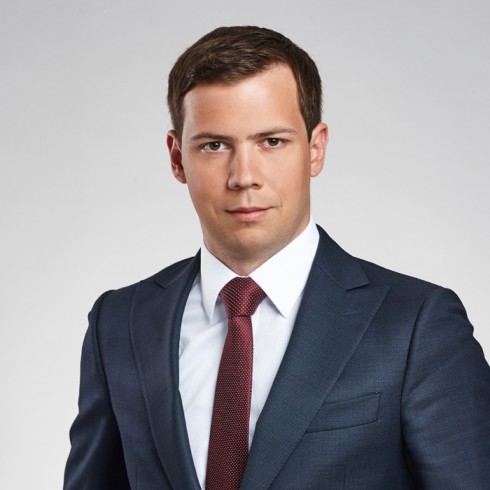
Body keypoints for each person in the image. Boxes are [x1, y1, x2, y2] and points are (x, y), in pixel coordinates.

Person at [64, 26, 490, 489]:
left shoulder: (417, 326)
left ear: (316, 148)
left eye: (271, 141)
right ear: (177, 158)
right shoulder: (119, 324)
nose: (244, 176)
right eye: (214, 145)